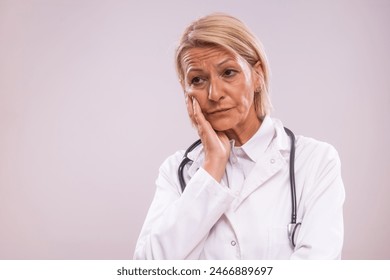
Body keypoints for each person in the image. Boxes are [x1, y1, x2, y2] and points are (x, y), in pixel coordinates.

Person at [133, 13, 345, 260]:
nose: (214, 93)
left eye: (228, 72)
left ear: (257, 75)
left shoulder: (316, 161)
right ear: (186, 92)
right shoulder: (176, 172)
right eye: (198, 80)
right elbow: (146, 267)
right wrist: (211, 168)